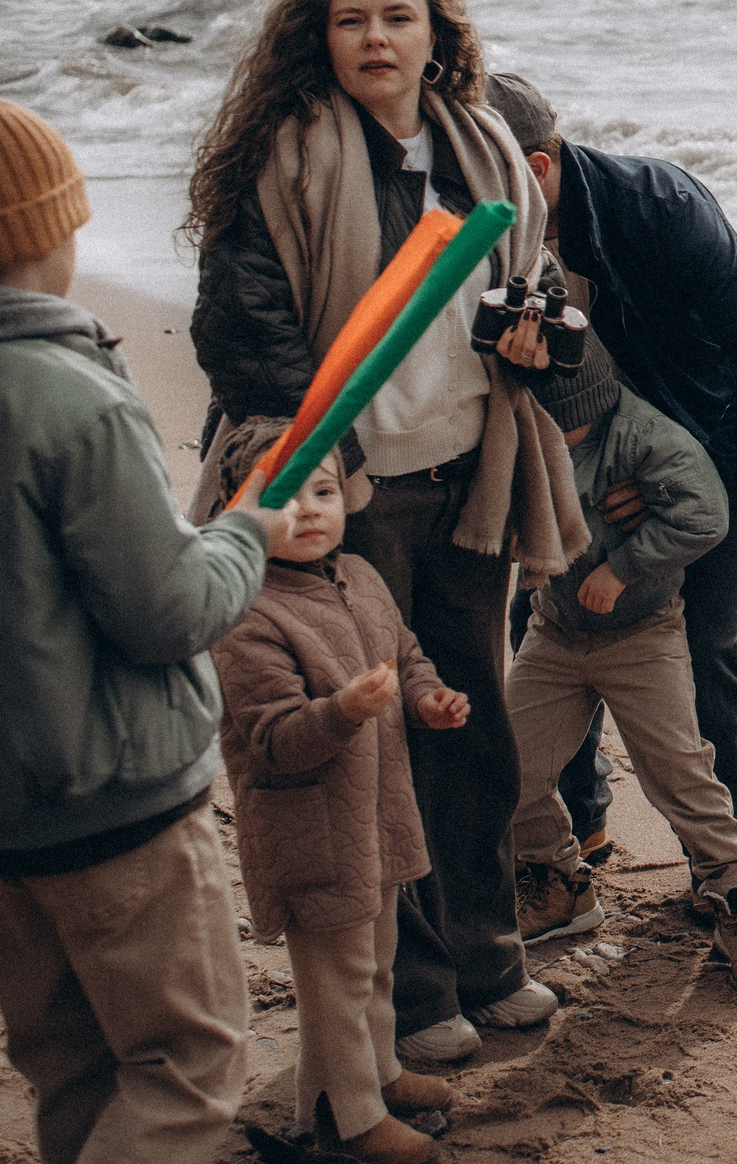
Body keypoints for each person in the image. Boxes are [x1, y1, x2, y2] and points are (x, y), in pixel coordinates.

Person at [0, 94, 294, 1164]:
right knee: (188, 1069)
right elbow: (170, 610)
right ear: (47, 226)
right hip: (114, 811)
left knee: (72, 1066)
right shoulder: (72, 396)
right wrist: (248, 531)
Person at [186, 0, 595, 1069]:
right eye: (352, 19)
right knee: (375, 744)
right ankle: (412, 996)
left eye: (397, 17)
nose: (376, 37)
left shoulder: (484, 149)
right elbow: (239, 330)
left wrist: (536, 339)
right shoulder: (285, 157)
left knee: (468, 725)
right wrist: (322, 462)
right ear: (320, 37)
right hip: (348, 493)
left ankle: (488, 959)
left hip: (473, 480)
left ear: (435, 34)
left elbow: (543, 298)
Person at [481, 73, 737, 843]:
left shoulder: (661, 208)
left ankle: (722, 854)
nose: (461, 202)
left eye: (475, 181)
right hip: (586, 452)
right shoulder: (489, 238)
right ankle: (581, 833)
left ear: (536, 168)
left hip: (724, 435)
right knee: (542, 627)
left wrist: (686, 488)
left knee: (704, 649)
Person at [207, 422, 470, 1164]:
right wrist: (345, 710)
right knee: (336, 981)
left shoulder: (359, 574)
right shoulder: (248, 612)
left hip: (375, 817)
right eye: (282, 496)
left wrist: (425, 698)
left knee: (377, 960)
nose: (308, 510)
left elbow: (404, 653)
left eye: (322, 491)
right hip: (309, 832)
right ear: (239, 509)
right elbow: (274, 740)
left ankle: (377, 1074)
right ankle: (351, 1118)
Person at [502, 359, 737, 997]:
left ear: (597, 407)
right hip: (554, 631)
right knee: (508, 765)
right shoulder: (517, 428)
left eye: (567, 430)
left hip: (642, 634)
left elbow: (706, 514)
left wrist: (624, 568)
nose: (556, 441)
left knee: (681, 774)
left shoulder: (645, 435)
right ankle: (558, 882)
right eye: (542, 424)